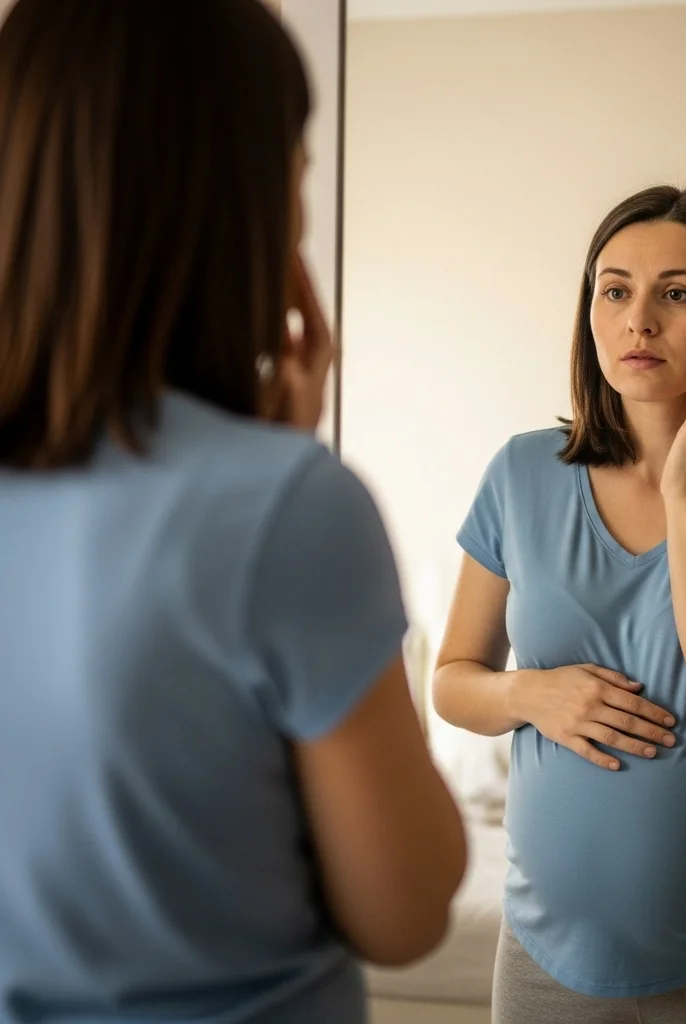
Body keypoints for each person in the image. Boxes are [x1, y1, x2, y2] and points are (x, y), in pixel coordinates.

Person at [0, 2, 466, 1022]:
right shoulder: (292, 510)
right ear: (235, 205)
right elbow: (407, 908)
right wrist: (285, 482)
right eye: (296, 172)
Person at [434, 185, 686, 1024]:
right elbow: (452, 680)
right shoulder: (519, 473)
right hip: (546, 961)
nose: (639, 321)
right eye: (615, 290)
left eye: (678, 293)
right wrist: (529, 694)